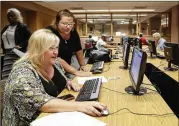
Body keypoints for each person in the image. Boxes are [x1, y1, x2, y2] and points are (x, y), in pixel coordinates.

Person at [2, 29, 107, 126]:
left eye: (56, 47)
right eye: (51, 48)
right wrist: (81, 106)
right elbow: (42, 103)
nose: (56, 52)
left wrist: (67, 81)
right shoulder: (22, 73)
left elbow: (61, 78)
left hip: (50, 116)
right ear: (37, 49)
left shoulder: (53, 62)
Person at [1, 8, 31, 79]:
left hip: (18, 53)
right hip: (7, 54)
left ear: (17, 16)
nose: (10, 18)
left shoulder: (22, 27)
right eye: (8, 16)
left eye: (12, 16)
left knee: (17, 74)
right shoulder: (6, 28)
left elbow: (30, 38)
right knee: (6, 75)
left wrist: (20, 45)